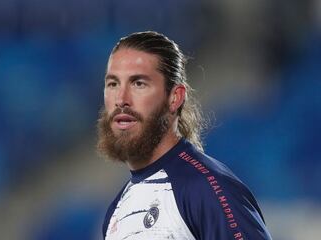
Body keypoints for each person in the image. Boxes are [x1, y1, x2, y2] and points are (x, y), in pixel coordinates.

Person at [97, 31, 272, 240]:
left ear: (175, 98)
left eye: (139, 84)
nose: (121, 99)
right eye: (113, 84)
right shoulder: (117, 210)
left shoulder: (205, 188)